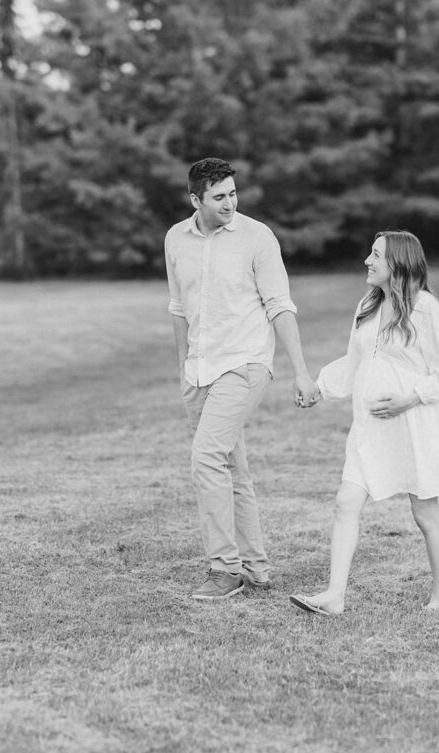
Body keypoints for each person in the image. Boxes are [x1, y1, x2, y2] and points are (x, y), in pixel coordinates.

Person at [165, 157, 319, 600]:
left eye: (233, 193)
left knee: (206, 458)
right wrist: (183, 368)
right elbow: (178, 307)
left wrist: (301, 373)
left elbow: (280, 305)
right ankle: (255, 567)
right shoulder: (176, 238)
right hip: (199, 369)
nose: (230, 203)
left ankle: (224, 568)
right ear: (196, 199)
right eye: (219, 197)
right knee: (233, 469)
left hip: (246, 363)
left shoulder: (258, 237)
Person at [289, 230, 439, 616]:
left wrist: (409, 398)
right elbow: (354, 363)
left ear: (397, 263)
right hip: (370, 427)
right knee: (346, 501)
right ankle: (334, 595)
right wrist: (318, 387)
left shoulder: (426, 308)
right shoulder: (368, 304)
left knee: (425, 514)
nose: (368, 260)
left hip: (415, 425)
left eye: (376, 255)